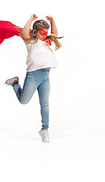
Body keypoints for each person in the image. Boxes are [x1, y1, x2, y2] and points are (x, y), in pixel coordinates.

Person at [4, 14, 62, 143]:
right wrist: (30, 19)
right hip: (33, 75)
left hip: (46, 75)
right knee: (24, 101)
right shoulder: (31, 41)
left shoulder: (46, 41)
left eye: (45, 33)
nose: (44, 35)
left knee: (45, 104)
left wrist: (52, 21)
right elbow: (24, 33)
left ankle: (45, 130)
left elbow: (55, 34)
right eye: (42, 32)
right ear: (35, 32)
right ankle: (15, 83)